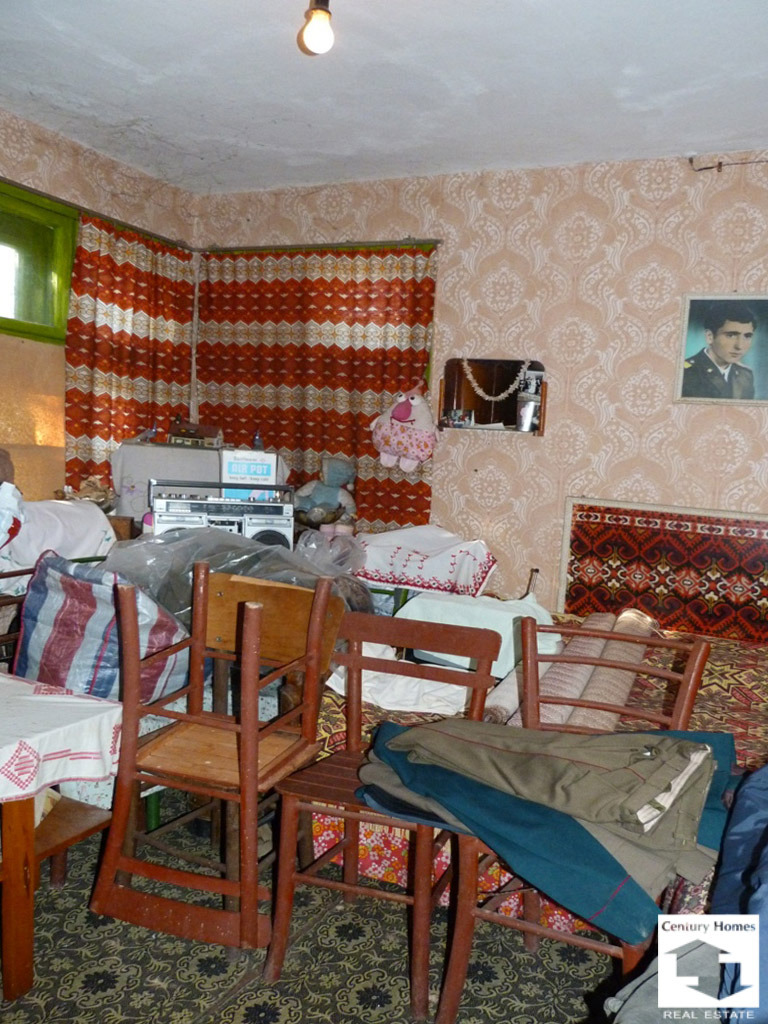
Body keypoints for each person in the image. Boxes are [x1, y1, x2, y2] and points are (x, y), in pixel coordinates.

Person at [681, 300, 758, 399]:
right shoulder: (685, 373)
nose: (739, 346)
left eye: (747, 336)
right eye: (731, 335)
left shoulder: (745, 376)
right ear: (710, 336)